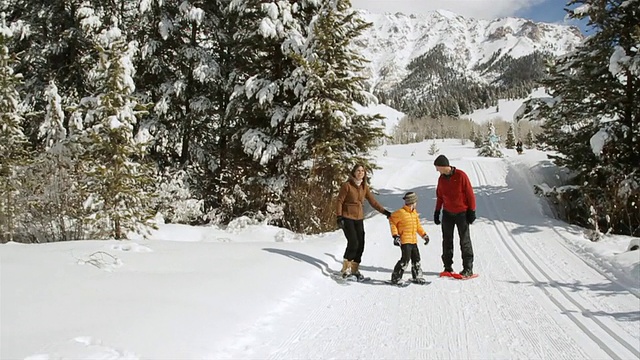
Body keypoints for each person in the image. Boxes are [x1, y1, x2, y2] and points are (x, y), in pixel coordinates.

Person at [336, 164, 391, 280]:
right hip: (347, 217)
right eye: (358, 171)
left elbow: (373, 202)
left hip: (359, 218)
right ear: (353, 172)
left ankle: (355, 269)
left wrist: (385, 212)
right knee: (353, 242)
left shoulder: (364, 187)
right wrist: (339, 217)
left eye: (362, 171)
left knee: (361, 244)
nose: (360, 173)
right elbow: (339, 201)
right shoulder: (347, 186)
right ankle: (346, 269)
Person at [433, 154, 477, 278]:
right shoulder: (441, 179)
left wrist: (472, 211)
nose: (437, 170)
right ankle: (447, 267)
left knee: (465, 241)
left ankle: (468, 268)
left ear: (444, 166)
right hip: (447, 213)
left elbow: (470, 195)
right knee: (447, 241)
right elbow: (440, 197)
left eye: (438, 168)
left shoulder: (461, 176)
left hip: (462, 213)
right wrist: (437, 211)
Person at [388, 192, 430, 284]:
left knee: (416, 258)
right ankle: (396, 277)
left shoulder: (414, 213)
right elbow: (392, 220)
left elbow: (418, 226)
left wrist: (424, 235)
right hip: (405, 241)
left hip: (413, 240)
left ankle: (417, 276)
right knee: (405, 259)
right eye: (415, 202)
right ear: (412, 202)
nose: (416, 204)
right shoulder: (401, 213)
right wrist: (395, 236)